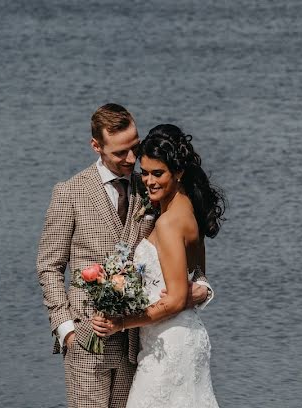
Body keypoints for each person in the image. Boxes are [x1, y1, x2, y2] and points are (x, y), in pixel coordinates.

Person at [37, 105, 214, 408]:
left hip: (139, 345)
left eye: (135, 147)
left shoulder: (149, 186)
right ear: (97, 146)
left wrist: (202, 288)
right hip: (88, 340)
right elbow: (49, 266)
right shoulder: (70, 193)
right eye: (121, 153)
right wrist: (66, 329)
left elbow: (181, 254)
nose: (131, 160)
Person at [92, 124, 226, 408]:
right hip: (184, 337)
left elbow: (176, 300)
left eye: (158, 173)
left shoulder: (167, 223)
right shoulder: (189, 209)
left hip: (168, 346)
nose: (149, 181)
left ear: (178, 172)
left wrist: (121, 322)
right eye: (145, 172)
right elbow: (197, 273)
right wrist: (201, 289)